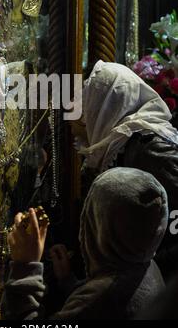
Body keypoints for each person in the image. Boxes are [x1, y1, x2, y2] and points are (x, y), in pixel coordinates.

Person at [2, 168, 168, 320]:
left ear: (97, 225)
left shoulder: (103, 299)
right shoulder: (148, 267)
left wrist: (25, 267)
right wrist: (69, 282)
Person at [72, 60, 178, 279]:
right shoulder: (121, 146)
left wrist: (147, 270)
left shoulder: (150, 151)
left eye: (84, 110)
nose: (76, 122)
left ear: (105, 107)